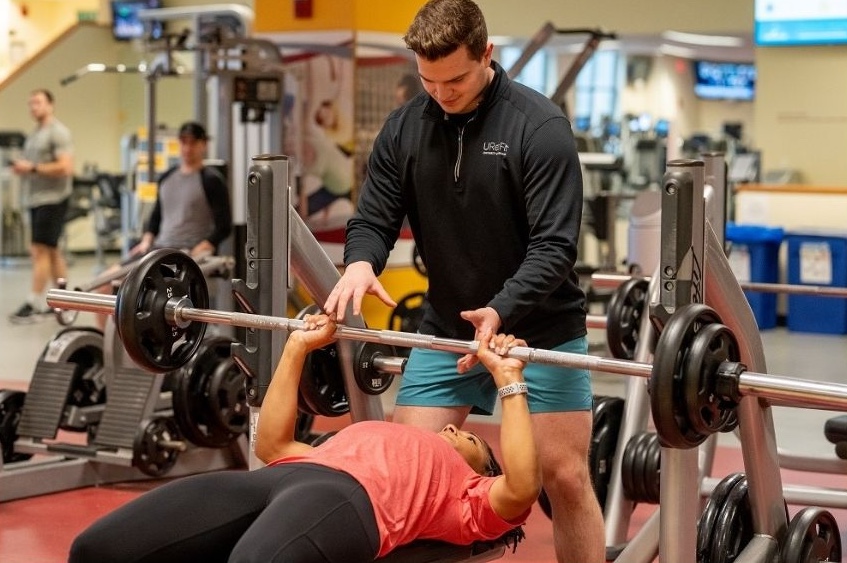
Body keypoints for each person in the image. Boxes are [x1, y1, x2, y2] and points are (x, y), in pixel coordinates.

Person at [322, 1, 603, 561]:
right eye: (429, 81)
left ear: (487, 54)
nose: (442, 93)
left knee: (564, 477)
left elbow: (555, 247)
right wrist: (360, 262)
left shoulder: (539, 127)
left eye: (455, 80)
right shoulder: (405, 128)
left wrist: (501, 308)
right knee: (406, 473)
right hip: (448, 328)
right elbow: (374, 219)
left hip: (540, 328)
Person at [68, 314, 540, 563]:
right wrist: (298, 346)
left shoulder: (466, 500)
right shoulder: (359, 439)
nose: (454, 428)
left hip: (350, 501)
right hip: (276, 480)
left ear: (481, 474)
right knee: (98, 549)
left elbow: (521, 486)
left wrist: (508, 379)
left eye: (472, 441)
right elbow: (272, 447)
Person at [93, 121, 232, 329]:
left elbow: (224, 225)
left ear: (203, 145)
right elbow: (156, 217)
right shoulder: (167, 177)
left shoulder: (211, 181)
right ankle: (104, 341)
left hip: (184, 253)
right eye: (183, 142)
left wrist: (204, 246)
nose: (187, 148)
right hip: (158, 248)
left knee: (134, 294)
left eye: (193, 143)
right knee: (103, 285)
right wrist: (146, 239)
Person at [9, 89, 74, 324]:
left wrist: (33, 168)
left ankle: (34, 302)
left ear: (50, 105)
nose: (33, 107)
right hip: (36, 199)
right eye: (30, 103)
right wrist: (24, 168)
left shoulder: (58, 132)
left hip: (52, 199)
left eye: (37, 102)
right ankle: (64, 302)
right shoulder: (35, 134)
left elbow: (66, 167)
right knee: (52, 251)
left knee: (40, 250)